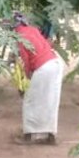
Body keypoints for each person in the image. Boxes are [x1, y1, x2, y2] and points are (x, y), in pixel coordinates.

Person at [11, 12, 64, 144]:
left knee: (30, 101)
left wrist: (26, 80)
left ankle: (29, 136)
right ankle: (50, 135)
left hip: (44, 66)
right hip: (56, 63)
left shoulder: (20, 36)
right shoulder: (33, 30)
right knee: (51, 100)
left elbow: (26, 60)